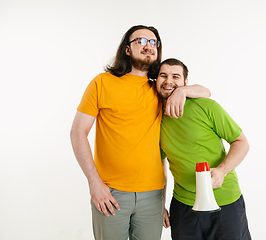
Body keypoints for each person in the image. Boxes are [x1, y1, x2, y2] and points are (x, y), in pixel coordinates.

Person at [70, 26, 210, 240]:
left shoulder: (159, 89)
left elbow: (206, 92)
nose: (148, 46)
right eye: (141, 41)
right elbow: (78, 132)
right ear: (127, 49)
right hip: (110, 193)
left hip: (152, 196)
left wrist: (182, 90)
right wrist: (94, 184)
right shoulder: (102, 82)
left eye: (153, 42)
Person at [157, 58, 251, 240]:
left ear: (185, 82)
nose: (169, 81)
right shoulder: (154, 117)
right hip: (183, 207)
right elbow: (161, 165)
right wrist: (160, 204)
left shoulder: (207, 106)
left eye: (175, 76)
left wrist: (222, 171)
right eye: (163, 75)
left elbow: (241, 142)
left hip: (225, 202)